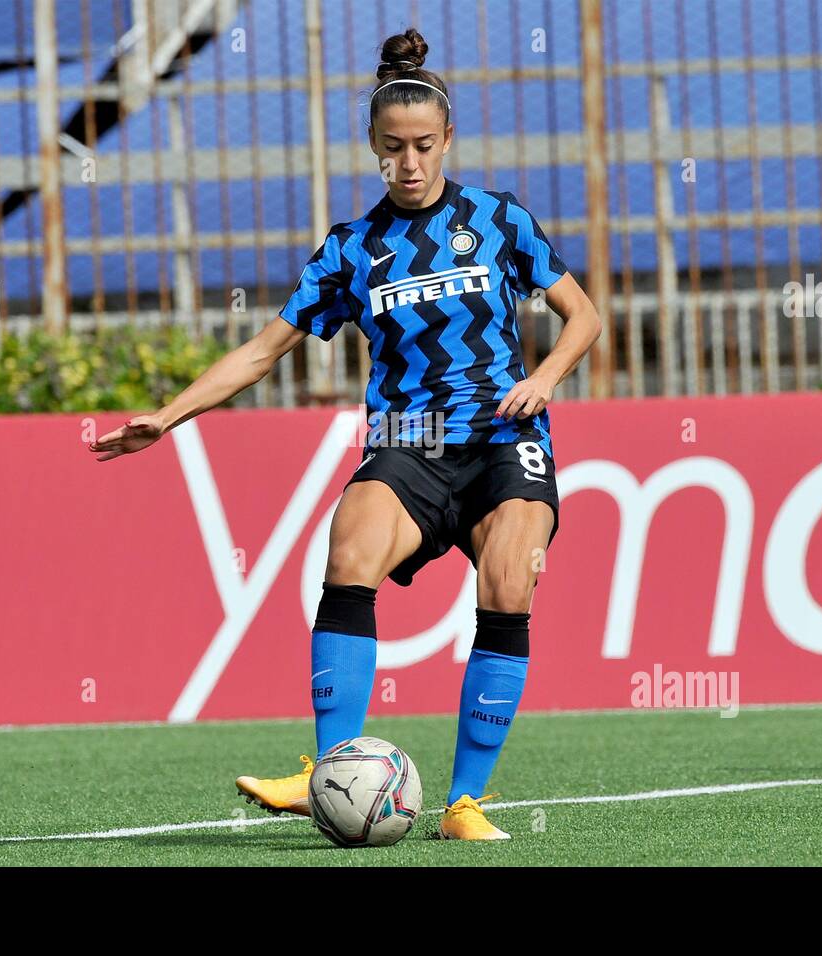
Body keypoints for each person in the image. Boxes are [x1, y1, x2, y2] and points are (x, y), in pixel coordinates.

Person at [89, 27, 602, 840]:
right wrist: (169, 415)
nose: (410, 163)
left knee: (509, 584)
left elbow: (585, 316)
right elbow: (262, 350)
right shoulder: (352, 250)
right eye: (393, 147)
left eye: (424, 146)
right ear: (371, 145)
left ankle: (464, 803)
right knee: (349, 553)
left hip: (504, 440)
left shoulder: (500, 221)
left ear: (447, 141)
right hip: (405, 441)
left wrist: (542, 380)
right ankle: (329, 773)